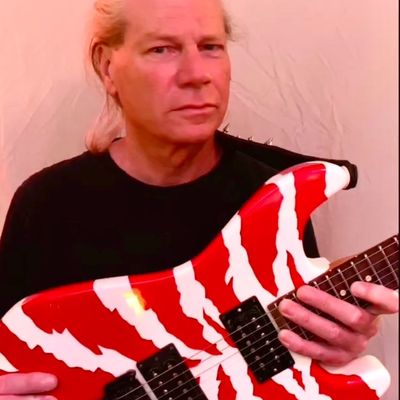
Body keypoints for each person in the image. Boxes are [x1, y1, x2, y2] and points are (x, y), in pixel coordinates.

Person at [0, 0, 397, 398]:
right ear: (107, 67)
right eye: (162, 49)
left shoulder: (273, 197)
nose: (197, 74)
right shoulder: (46, 206)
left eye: (211, 47)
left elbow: (287, 375)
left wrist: (331, 348)